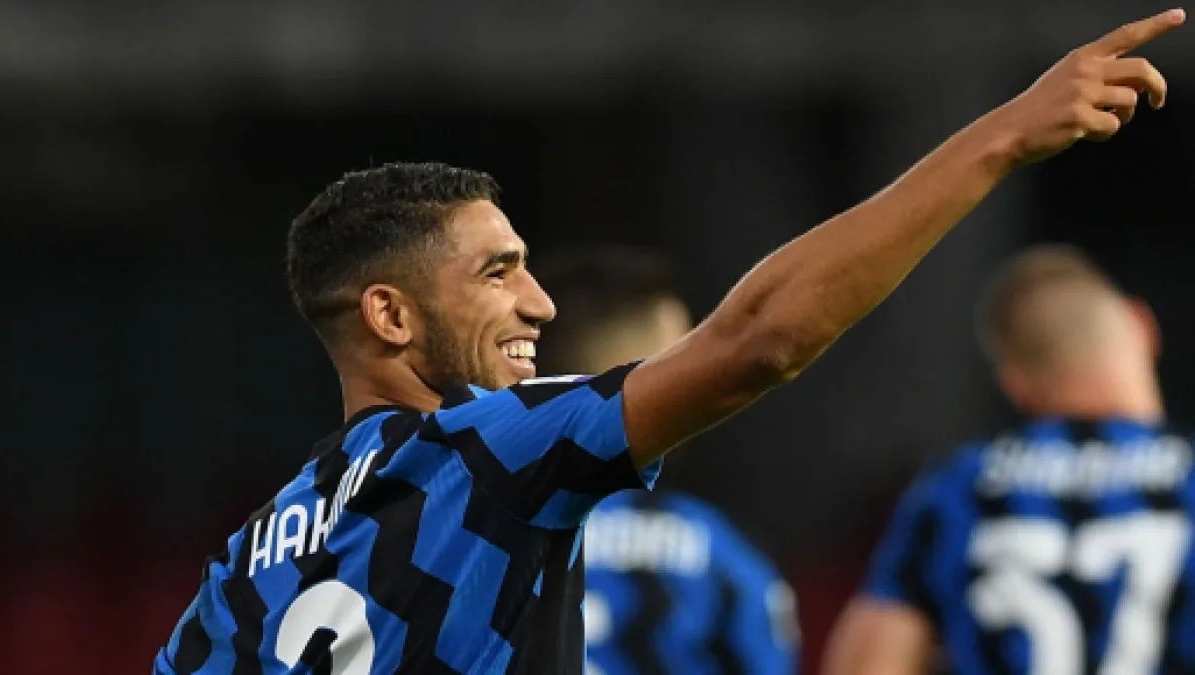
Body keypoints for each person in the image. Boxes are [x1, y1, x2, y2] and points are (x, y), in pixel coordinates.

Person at [154, 10, 1184, 674]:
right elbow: (763, 339)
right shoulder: (485, 448)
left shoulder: (242, 568)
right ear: (389, 315)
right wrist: (1000, 139)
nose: (540, 304)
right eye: (498, 272)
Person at [822, 245, 1195, 675]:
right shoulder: (1188, 479)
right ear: (1143, 325)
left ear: (1015, 385)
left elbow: (866, 667)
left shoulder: (963, 489)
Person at [532, 246, 798, 674]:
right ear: (638, 378)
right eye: (687, 360)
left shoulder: (461, 534)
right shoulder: (721, 555)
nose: (709, 380)